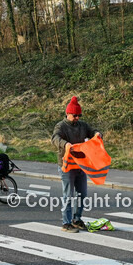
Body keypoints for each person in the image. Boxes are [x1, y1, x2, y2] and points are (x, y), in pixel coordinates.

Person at [52, 96, 101, 232]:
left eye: (79, 115)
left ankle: (77, 219)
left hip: (80, 164)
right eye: (75, 115)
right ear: (68, 113)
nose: (77, 117)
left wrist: (97, 134)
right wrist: (65, 144)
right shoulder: (60, 126)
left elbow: (92, 132)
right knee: (68, 195)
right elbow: (55, 138)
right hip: (66, 165)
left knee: (82, 194)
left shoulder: (82, 125)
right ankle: (66, 223)